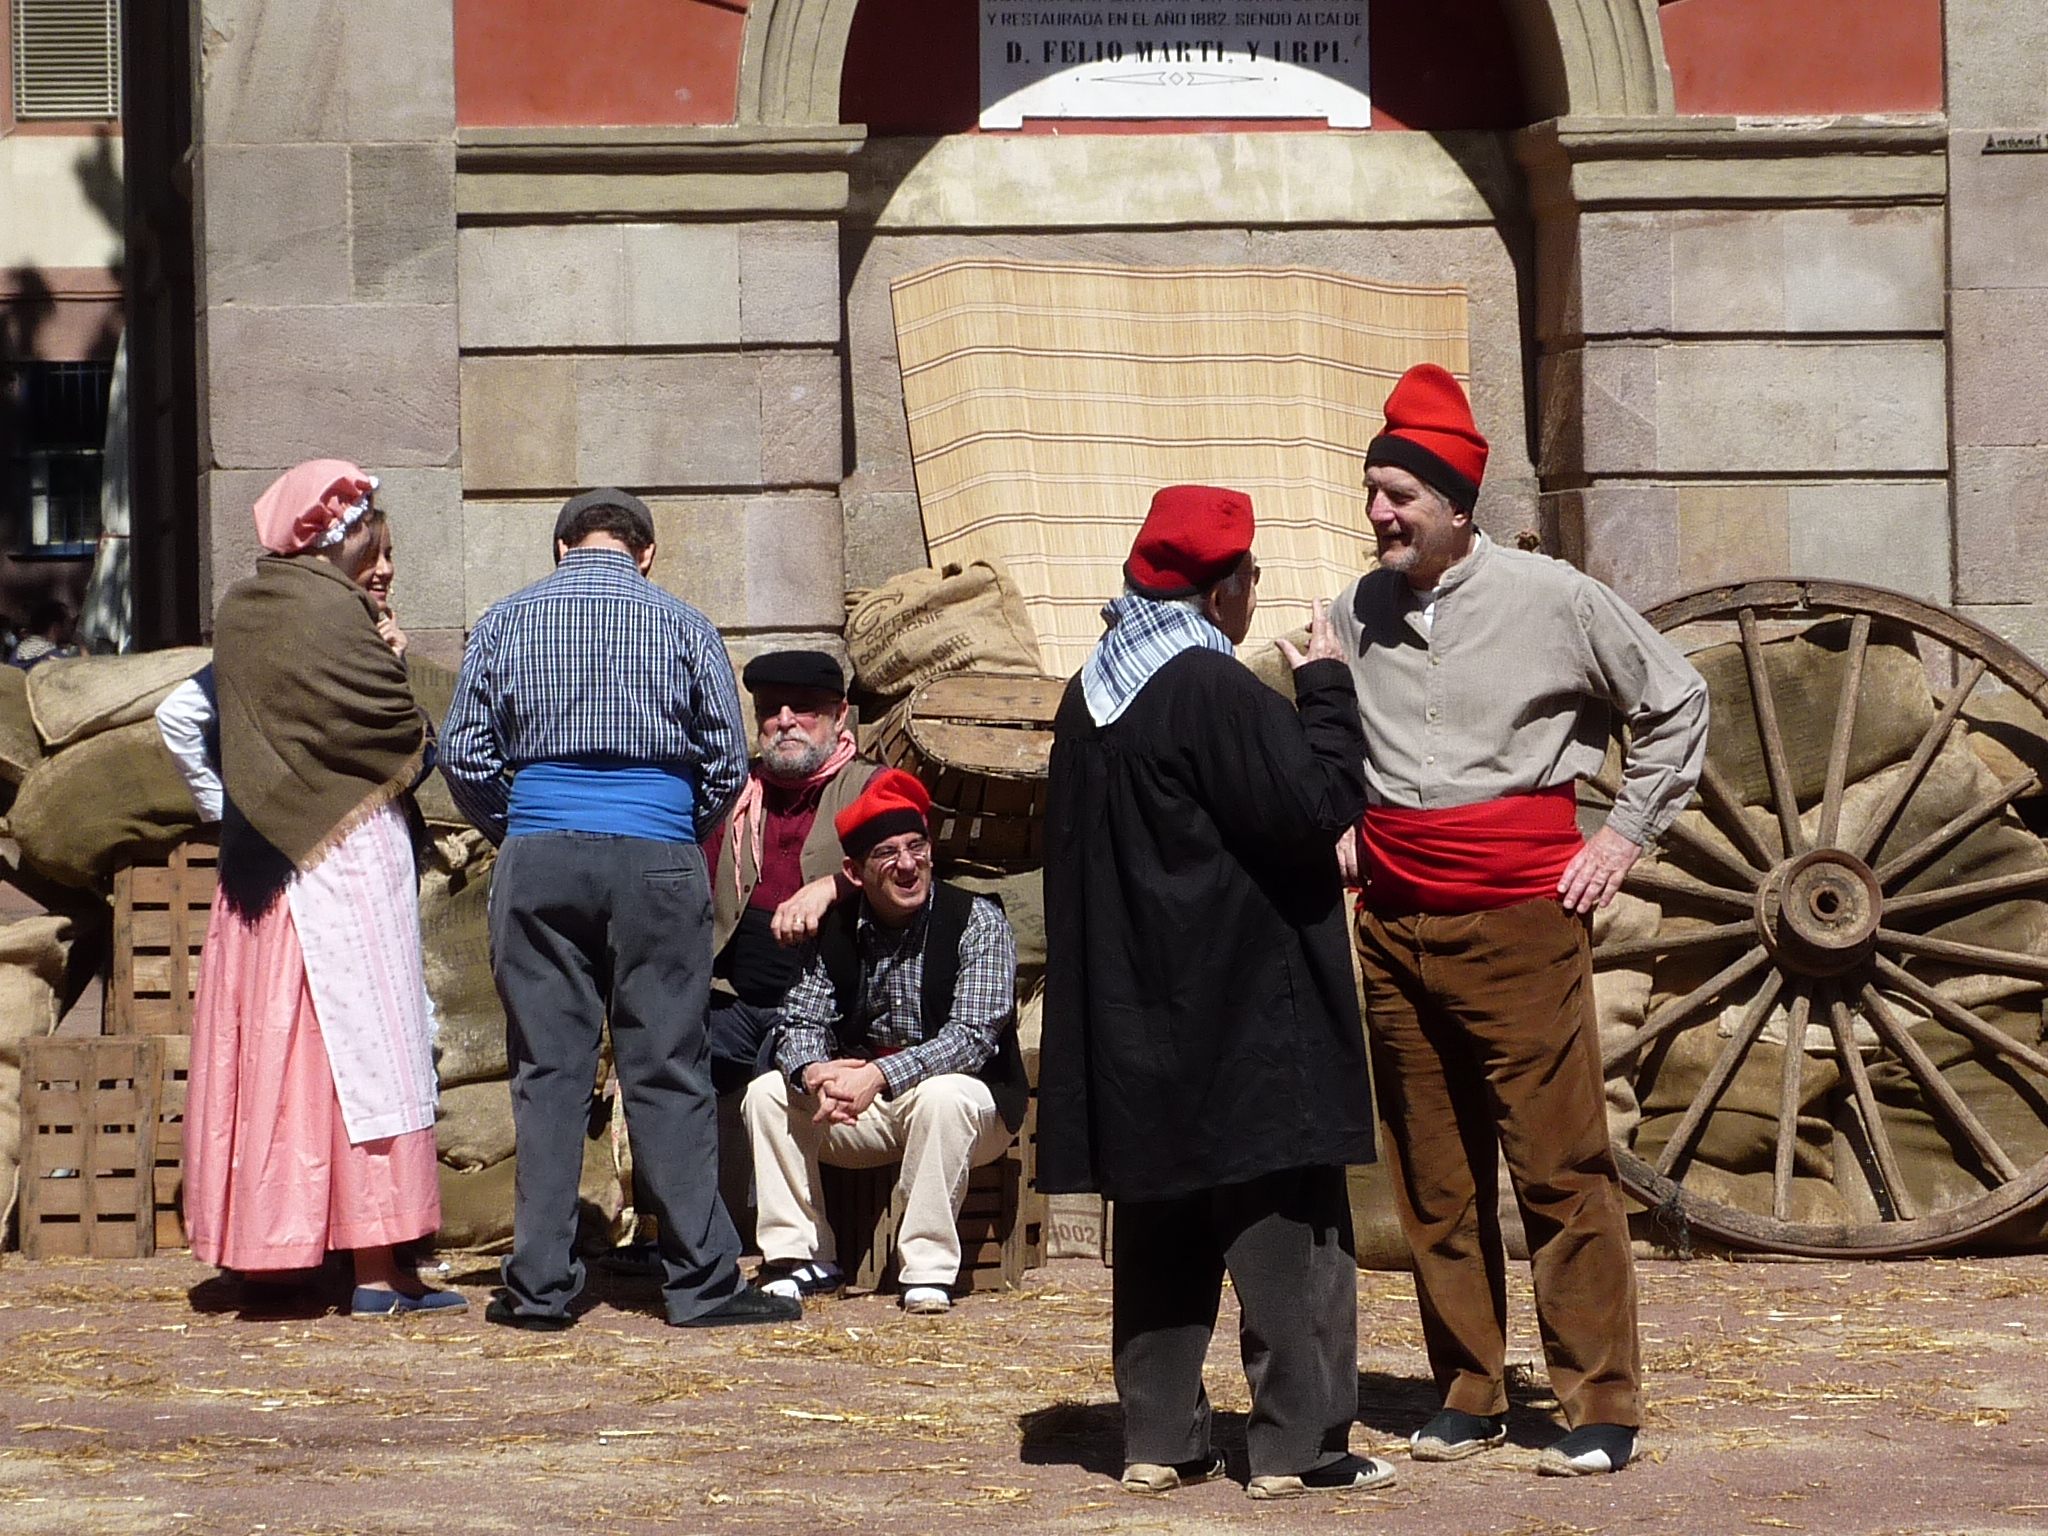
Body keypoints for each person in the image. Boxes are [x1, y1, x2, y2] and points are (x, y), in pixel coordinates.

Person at [1332, 364, 1709, 1477]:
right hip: (1393, 922)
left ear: (1456, 505)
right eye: (1371, 493)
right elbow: (1324, 725)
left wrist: (1622, 837)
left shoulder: (1554, 598)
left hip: (1520, 921)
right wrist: (1337, 817)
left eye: (1397, 494)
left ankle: (1598, 1402)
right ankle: (1467, 1388)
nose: (1378, 514)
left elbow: (1673, 698)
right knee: (1431, 1177)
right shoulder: (1355, 610)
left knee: (1556, 1167)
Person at [1039, 484, 1390, 1501]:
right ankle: (1297, 1446)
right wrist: (1324, 687)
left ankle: (1157, 1439)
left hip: (1136, 1012)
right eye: (1249, 576)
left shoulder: (1089, 689)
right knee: (1289, 1223)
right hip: (1243, 1007)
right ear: (1222, 583)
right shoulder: (1207, 686)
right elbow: (1314, 804)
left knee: (1162, 1219)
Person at [440, 487, 797, 1331]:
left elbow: (462, 750)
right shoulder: (684, 624)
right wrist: (671, 833)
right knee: (667, 1065)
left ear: (561, 548)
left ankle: (538, 1291)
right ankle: (701, 1286)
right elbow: (724, 761)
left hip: (540, 856)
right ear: (647, 553)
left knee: (548, 1073)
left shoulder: (503, 620)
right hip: (658, 858)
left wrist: (526, 826)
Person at [179, 459, 462, 1317]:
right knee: (368, 1043)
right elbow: (398, 726)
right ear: (329, 543)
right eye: (370, 552)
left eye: (387, 555)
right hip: (347, 855)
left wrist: (235, 804)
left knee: (278, 1047)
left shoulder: (243, 613)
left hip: (265, 866)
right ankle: (379, 1272)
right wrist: (397, 663)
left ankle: (272, 1256)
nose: (381, 571)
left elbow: (179, 718)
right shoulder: (338, 619)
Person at [741, 769, 1027, 1313]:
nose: (907, 864)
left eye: (917, 848)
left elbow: (972, 1037)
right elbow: (798, 1021)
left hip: (968, 1111)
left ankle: (926, 1269)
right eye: (888, 854)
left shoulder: (978, 922)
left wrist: (878, 1076)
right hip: (864, 1107)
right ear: (854, 870)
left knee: (945, 1095)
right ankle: (800, 1256)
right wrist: (814, 1073)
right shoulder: (836, 927)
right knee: (768, 1094)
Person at [702, 650, 878, 1097]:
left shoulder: (871, 788)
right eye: (770, 709)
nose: (784, 721)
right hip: (733, 1001)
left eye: (803, 707)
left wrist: (834, 886)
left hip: (829, 1009)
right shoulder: (734, 793)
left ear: (839, 716)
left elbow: (908, 867)